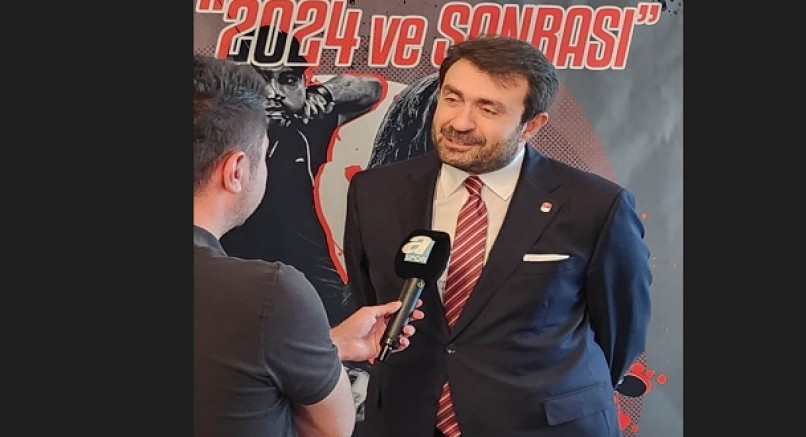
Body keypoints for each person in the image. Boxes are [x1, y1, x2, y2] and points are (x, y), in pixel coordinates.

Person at [344, 36, 652, 437]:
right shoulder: (373, 191)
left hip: (545, 425)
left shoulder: (594, 205)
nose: (459, 122)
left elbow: (621, 331)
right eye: (452, 98)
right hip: (408, 420)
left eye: (487, 109)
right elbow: (371, 299)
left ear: (532, 125)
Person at [193, 53, 422, 437]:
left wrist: (316, 347)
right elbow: (330, 428)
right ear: (236, 171)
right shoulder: (270, 293)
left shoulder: (266, 305)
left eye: (287, 80)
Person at [220, 26, 386, 327]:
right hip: (232, 268)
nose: (273, 93)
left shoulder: (308, 125)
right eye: (259, 78)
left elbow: (370, 88)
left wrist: (323, 93)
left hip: (308, 272)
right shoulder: (215, 129)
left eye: (288, 80)